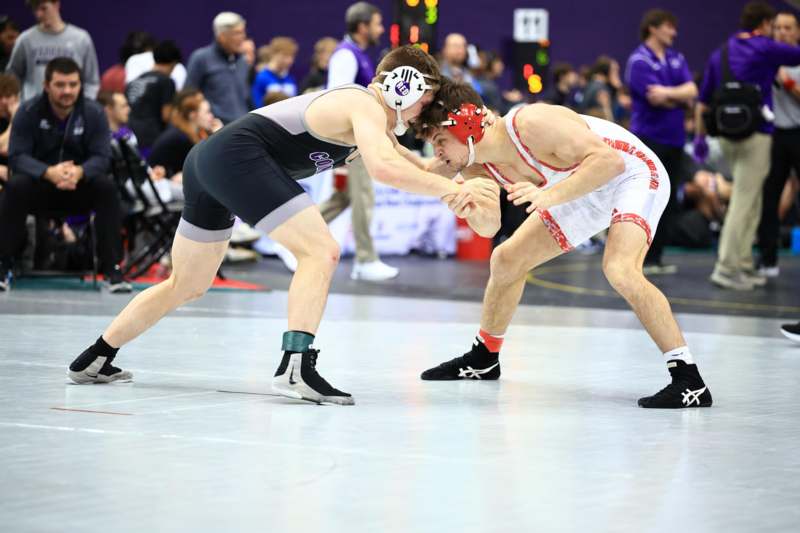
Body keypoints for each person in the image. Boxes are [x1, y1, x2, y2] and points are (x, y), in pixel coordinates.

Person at [65, 46, 491, 406]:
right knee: (320, 251)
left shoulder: (374, 125)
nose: (420, 115)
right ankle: (295, 367)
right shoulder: (363, 105)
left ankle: (96, 357)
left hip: (211, 161)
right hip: (236, 158)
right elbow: (383, 169)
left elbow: (417, 168)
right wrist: (449, 191)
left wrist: (469, 156)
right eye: (424, 101)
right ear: (404, 85)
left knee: (187, 284)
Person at [416, 79, 712, 409]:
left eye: (440, 141)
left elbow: (609, 162)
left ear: (467, 123)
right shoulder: (475, 165)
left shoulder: (532, 122)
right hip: (579, 186)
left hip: (631, 173)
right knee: (506, 259)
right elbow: (490, 227)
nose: (437, 153)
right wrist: (467, 208)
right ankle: (483, 357)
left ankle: (689, 379)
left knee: (620, 269)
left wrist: (548, 196)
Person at [695, 1, 800, 290]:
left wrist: (700, 138)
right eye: (774, 27)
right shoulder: (764, 47)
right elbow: (795, 55)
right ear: (765, 24)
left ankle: (743, 264)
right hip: (756, 136)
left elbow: (703, 100)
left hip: (727, 136)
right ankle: (726, 268)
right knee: (744, 202)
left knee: (752, 202)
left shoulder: (721, 52)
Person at [0, 58, 129, 293]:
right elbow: (17, 156)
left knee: (107, 187)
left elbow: (102, 157)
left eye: (73, 84)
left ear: (80, 85)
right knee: (15, 186)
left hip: (78, 188)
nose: (67, 91)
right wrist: (47, 172)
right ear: (46, 85)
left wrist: (80, 172)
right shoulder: (27, 111)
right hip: (38, 188)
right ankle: (3, 266)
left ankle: (112, 271)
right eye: (60, 85)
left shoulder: (94, 112)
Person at [315, 1, 399, 281]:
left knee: (345, 197)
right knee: (363, 196)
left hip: (355, 137)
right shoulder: (345, 56)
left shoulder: (359, 54)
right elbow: (337, 100)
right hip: (353, 139)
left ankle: (292, 235)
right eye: (377, 24)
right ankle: (365, 259)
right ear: (363, 27)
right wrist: (346, 143)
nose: (381, 29)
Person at [625, 9, 698, 274]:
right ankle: (637, 259)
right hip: (649, 139)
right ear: (653, 28)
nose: (674, 32)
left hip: (675, 139)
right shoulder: (639, 60)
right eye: (668, 27)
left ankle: (655, 258)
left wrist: (669, 93)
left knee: (667, 200)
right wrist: (679, 97)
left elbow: (692, 90)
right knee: (645, 199)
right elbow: (654, 99)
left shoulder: (676, 58)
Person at [756, 11, 800, 278]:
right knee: (769, 197)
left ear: (797, 32)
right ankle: (768, 259)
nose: (782, 32)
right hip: (773, 136)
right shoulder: (766, 60)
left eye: (788, 27)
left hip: (798, 133)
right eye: (778, 27)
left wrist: (787, 81)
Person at [5, 0, 99, 100]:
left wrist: (85, 105)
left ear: (56, 4)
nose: (39, 14)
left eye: (43, 8)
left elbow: (91, 81)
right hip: (34, 106)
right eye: (35, 10)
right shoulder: (25, 40)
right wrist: (19, 102)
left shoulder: (81, 39)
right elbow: (12, 75)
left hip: (70, 106)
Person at [185, 12, 249, 124]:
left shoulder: (242, 61)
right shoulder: (200, 58)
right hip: (215, 129)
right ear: (222, 37)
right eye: (237, 33)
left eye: (243, 32)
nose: (243, 37)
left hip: (242, 127)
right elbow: (188, 96)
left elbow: (246, 98)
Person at [147, 88, 221, 178]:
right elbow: (207, 166)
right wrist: (218, 137)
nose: (212, 116)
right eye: (207, 112)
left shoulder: (187, 132)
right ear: (192, 115)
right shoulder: (180, 138)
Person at [125, 40, 182, 152]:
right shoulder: (167, 82)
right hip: (153, 139)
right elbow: (166, 115)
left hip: (131, 137)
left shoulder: (134, 82)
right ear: (173, 64)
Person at [251, 37, 299, 106]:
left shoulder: (290, 79)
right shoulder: (261, 77)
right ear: (274, 54)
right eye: (285, 55)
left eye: (292, 56)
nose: (289, 60)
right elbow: (257, 104)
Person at [0, 73, 20, 183]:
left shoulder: (27, 118)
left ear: (17, 98)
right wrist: (14, 122)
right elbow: (3, 147)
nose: (3, 101)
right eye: (0, 97)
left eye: (7, 96)